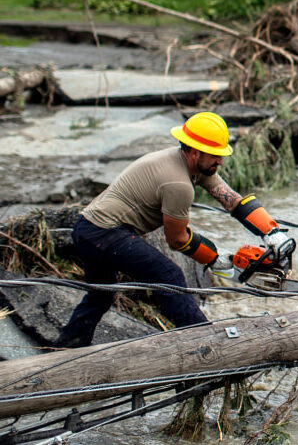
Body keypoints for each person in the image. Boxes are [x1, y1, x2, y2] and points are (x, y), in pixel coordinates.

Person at [54, 111, 283, 349]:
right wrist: (217, 260)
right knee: (168, 276)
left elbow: (231, 199)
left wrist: (271, 231)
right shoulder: (178, 184)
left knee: (101, 294)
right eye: (215, 156)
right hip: (104, 233)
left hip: (89, 228)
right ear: (195, 152)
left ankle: (66, 348)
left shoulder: (190, 163)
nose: (221, 162)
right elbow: (176, 239)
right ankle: (205, 347)